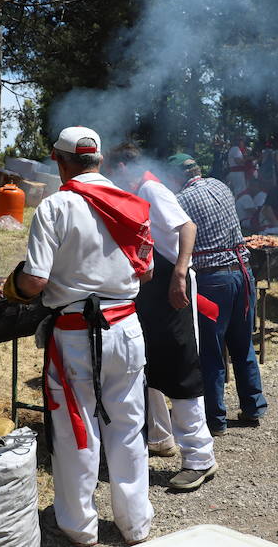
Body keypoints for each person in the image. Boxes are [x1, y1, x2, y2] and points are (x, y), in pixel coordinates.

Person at [3, 126, 154, 546]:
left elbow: (34, 281)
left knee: (76, 429)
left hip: (75, 333)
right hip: (126, 327)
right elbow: (149, 270)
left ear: (59, 160)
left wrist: (11, 285)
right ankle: (135, 524)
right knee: (128, 425)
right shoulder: (134, 205)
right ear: (100, 160)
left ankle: (78, 527)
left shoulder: (56, 206)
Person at [103, 144, 218, 491]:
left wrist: (180, 274)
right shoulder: (133, 192)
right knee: (151, 369)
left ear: (124, 166)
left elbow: (187, 228)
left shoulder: (151, 188)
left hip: (173, 287)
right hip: (151, 292)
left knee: (182, 371)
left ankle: (200, 458)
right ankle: (160, 439)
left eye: (112, 169)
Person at [165, 153, 267, 437]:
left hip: (213, 282)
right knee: (242, 343)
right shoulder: (220, 185)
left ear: (176, 177)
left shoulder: (180, 201)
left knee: (209, 352)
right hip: (243, 274)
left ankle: (215, 419)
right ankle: (253, 406)